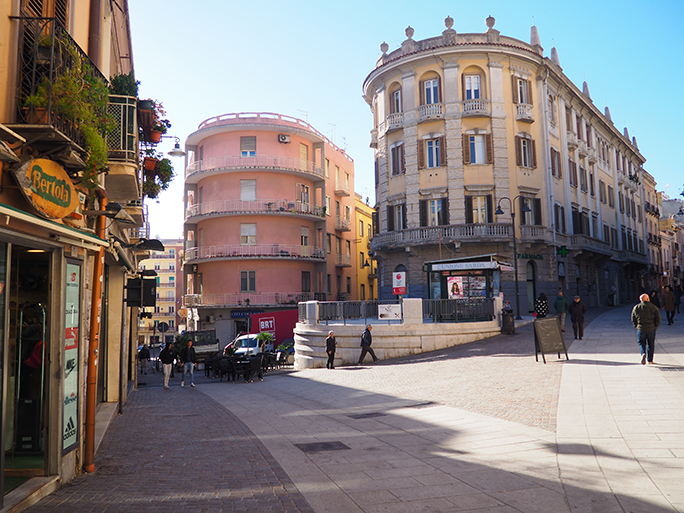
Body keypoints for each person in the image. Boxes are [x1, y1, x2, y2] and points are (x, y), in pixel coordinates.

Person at [631, 293, 661, 365]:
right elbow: (658, 318)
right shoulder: (653, 307)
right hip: (651, 328)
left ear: (640, 300)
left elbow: (633, 318)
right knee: (651, 344)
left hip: (641, 328)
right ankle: (650, 360)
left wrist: (636, 326)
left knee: (641, 343)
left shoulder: (636, 307)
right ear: (648, 299)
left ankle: (643, 353)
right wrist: (655, 327)